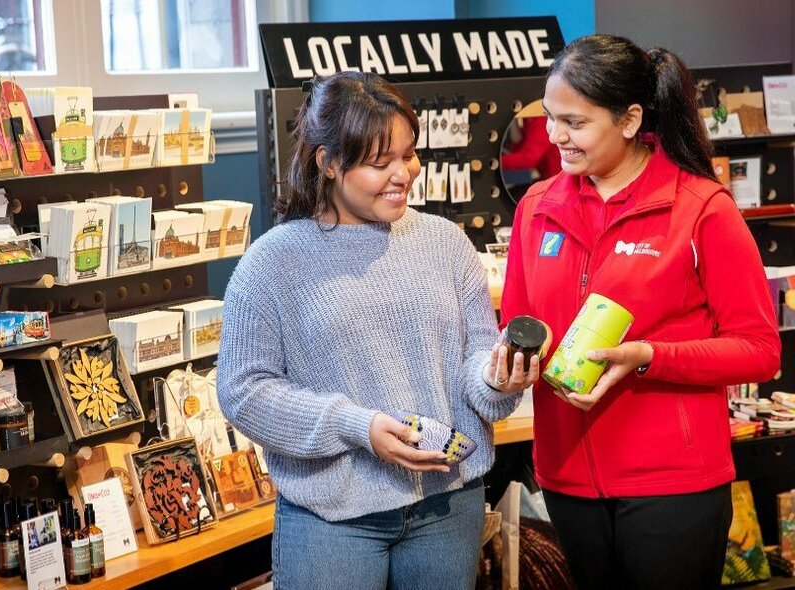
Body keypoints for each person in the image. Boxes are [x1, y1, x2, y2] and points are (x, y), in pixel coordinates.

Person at [217, 71, 536, 590]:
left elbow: (475, 365)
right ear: (328, 162)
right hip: (333, 518)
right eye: (378, 161)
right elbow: (243, 392)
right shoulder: (272, 263)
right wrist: (357, 426)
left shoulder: (445, 242)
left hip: (447, 504)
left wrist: (499, 378)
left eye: (408, 154)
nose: (403, 174)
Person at [500, 34, 782, 590]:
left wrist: (649, 356)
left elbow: (759, 350)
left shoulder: (701, 208)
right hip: (566, 479)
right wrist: (508, 361)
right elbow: (516, 323)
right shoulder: (538, 207)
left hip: (673, 484)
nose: (555, 137)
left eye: (575, 123)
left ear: (630, 120)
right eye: (551, 118)